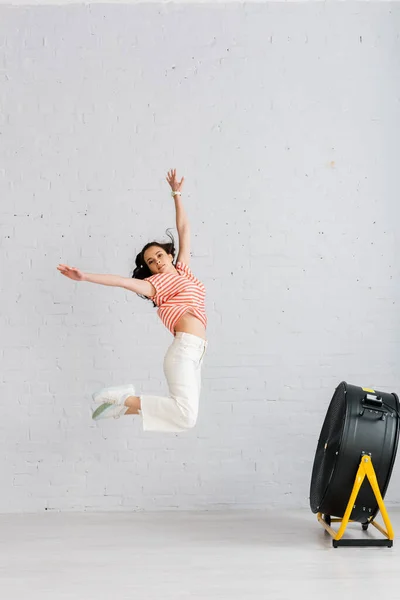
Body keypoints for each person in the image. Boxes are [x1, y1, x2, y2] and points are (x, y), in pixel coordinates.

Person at [57, 169, 207, 432]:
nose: (157, 262)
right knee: (185, 415)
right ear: (149, 269)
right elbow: (120, 281)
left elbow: (184, 228)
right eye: (151, 262)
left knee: (188, 420)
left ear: (169, 255)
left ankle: (122, 407)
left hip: (197, 353)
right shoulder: (153, 285)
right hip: (184, 350)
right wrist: (84, 277)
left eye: (159, 256)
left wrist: (176, 194)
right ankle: (124, 399)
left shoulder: (183, 270)